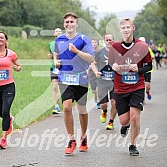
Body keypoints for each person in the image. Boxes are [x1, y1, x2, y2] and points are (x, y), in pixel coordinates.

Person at [108, 18, 152, 156]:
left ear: (133, 28)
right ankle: (125, 126)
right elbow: (110, 63)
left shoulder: (142, 46)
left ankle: (133, 145)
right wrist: (113, 66)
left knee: (135, 117)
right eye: (123, 28)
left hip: (137, 86)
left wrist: (138, 70)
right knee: (124, 120)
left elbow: (149, 66)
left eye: (128, 27)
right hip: (120, 88)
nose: (126, 30)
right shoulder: (114, 47)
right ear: (120, 30)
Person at [53, 12, 94, 155]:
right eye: (67, 22)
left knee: (82, 110)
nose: (69, 24)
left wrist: (76, 51)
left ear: (76, 24)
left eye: (72, 22)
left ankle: (83, 136)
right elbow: (56, 54)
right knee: (67, 108)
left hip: (81, 79)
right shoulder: (60, 39)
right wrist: (56, 62)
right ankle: (71, 139)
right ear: (64, 24)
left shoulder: (83, 39)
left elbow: (90, 58)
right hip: (65, 78)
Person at [91, 33, 117, 130]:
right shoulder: (99, 52)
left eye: (111, 40)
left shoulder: (117, 52)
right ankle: (104, 111)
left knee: (114, 102)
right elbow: (93, 64)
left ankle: (111, 122)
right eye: (107, 40)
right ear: (104, 41)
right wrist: (96, 72)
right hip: (102, 81)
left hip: (114, 81)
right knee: (103, 104)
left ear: (113, 40)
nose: (109, 41)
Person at [48, 27, 62, 114]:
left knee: (64, 87)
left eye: (60, 31)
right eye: (56, 31)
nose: (58, 32)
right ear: (54, 34)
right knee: (54, 87)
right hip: (54, 68)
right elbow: (50, 53)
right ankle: (56, 106)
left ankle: (67, 102)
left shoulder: (66, 43)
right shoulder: (51, 43)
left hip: (64, 68)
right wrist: (49, 55)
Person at [88, 38, 100, 109]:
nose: (94, 44)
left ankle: (98, 101)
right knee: (93, 89)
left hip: (98, 71)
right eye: (92, 42)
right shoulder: (88, 53)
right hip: (91, 73)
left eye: (95, 42)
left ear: (97, 43)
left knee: (98, 87)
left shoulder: (100, 52)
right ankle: (96, 96)